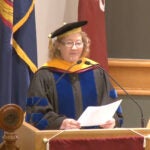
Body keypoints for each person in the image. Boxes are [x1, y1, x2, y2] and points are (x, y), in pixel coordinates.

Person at [25, 20, 123, 130]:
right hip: (59, 142)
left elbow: (112, 105)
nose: (74, 48)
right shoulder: (44, 75)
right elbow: (35, 112)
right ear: (58, 46)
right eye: (69, 43)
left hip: (95, 141)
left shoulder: (97, 71)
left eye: (78, 43)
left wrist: (112, 120)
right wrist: (60, 123)